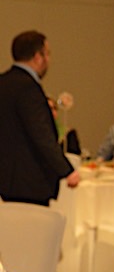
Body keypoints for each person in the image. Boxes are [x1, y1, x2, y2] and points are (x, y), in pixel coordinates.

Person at [0, 30, 79, 204]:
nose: (49, 60)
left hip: (6, 179)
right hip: (30, 182)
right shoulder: (29, 88)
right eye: (47, 54)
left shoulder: (3, 83)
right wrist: (67, 170)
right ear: (38, 57)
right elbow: (41, 134)